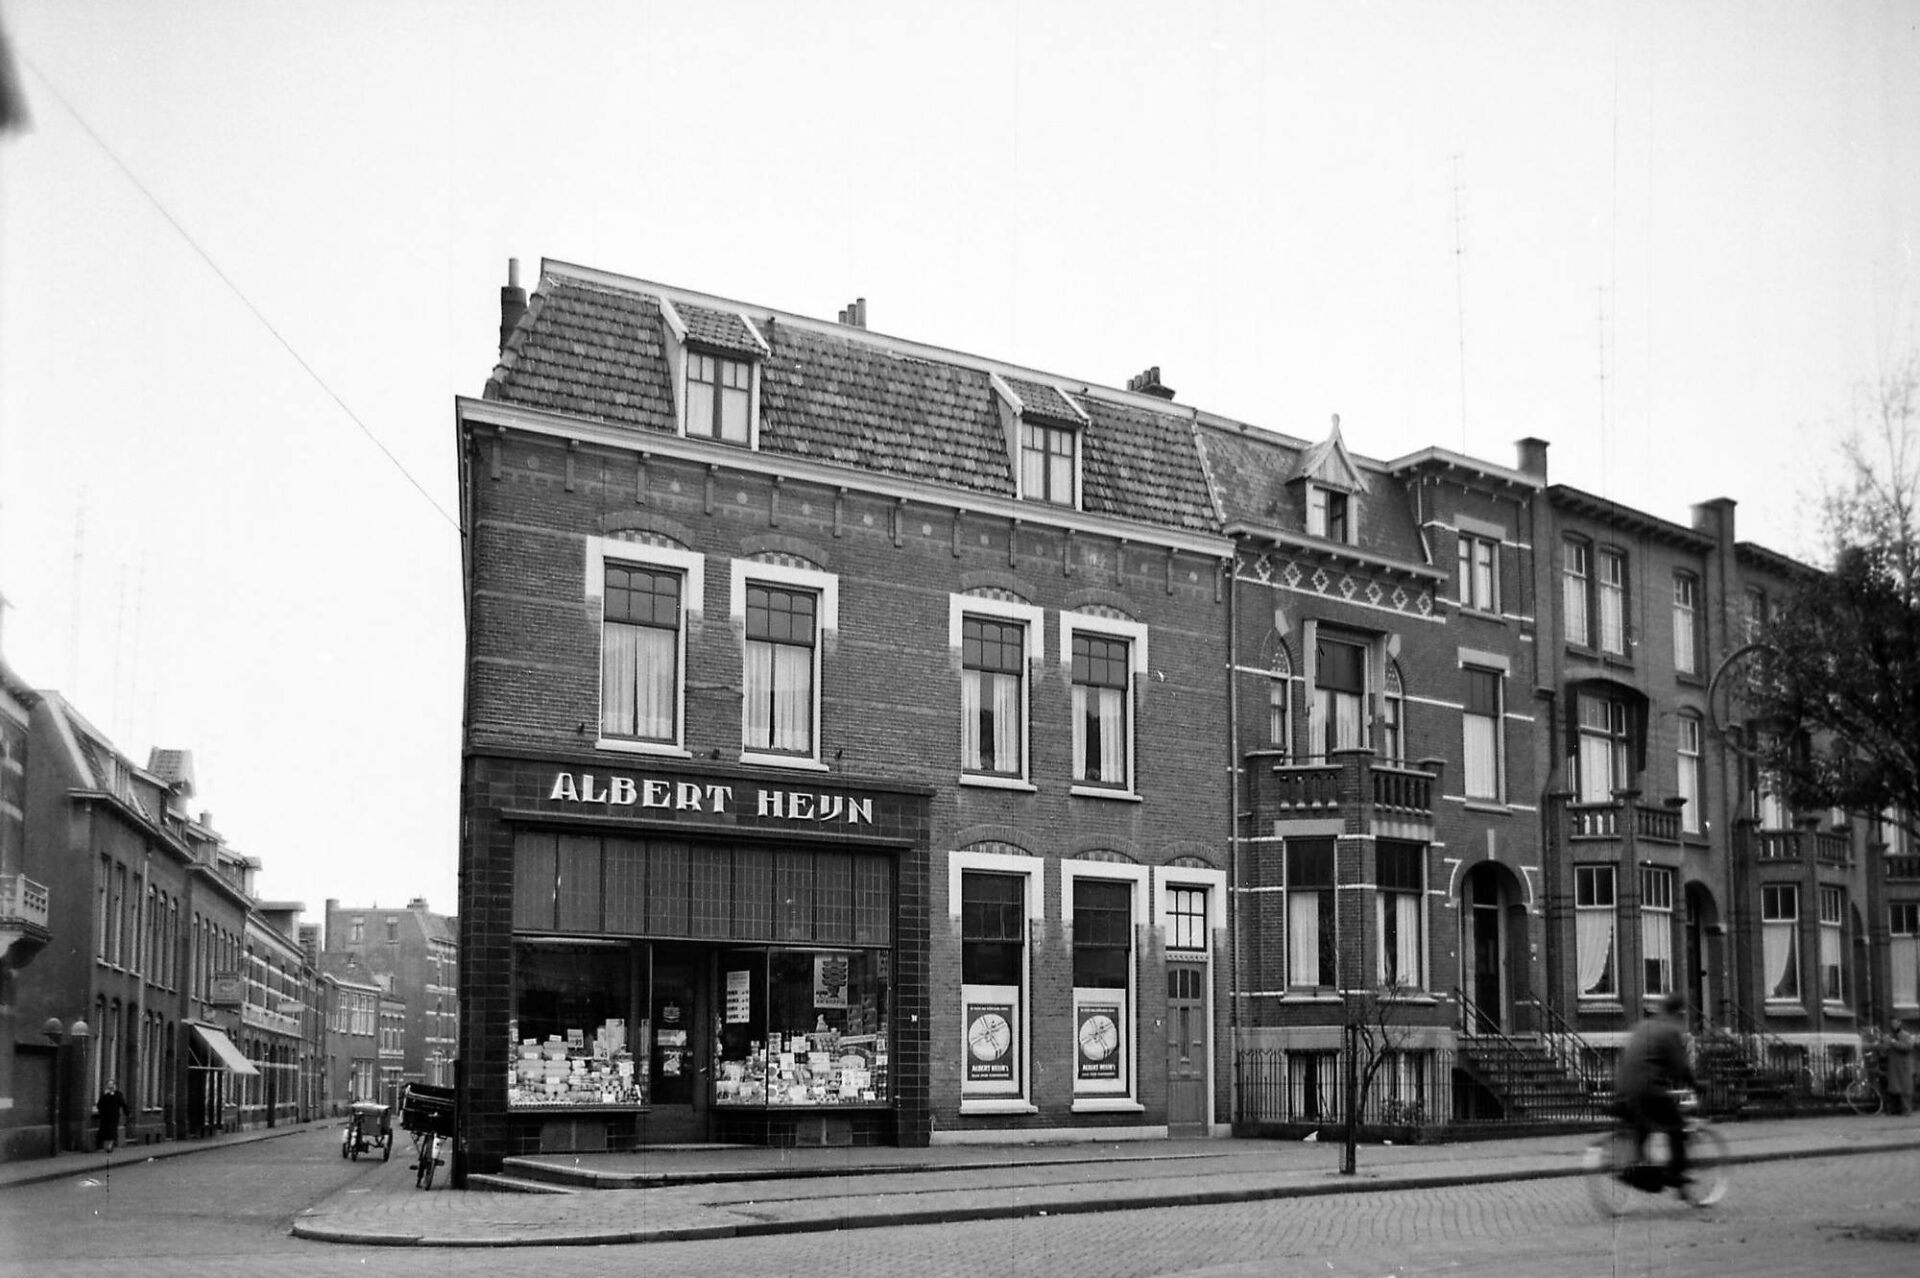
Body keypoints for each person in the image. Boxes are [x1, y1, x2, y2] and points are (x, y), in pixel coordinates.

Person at [1613, 992, 1695, 1189]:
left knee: (1644, 1126)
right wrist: (1696, 1085)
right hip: (1646, 1090)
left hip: (1623, 1089)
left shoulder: (1643, 1026)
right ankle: (1675, 1174)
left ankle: (1637, 1167)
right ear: (1678, 1013)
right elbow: (1680, 1068)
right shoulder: (1669, 1030)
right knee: (1676, 1126)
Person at [1887, 1021, 1916, 1117]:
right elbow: (1884, 1047)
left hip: (1903, 1067)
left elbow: (1908, 1047)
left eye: (1895, 1023)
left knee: (1905, 1089)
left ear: (1900, 1024)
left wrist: (1893, 1042)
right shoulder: (1890, 1036)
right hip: (1894, 1066)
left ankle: (1906, 1110)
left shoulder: (1906, 1035)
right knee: (1895, 1088)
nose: (1893, 1025)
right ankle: (1895, 1110)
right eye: (1892, 1023)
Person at [93, 1082, 128, 1154]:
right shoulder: (104, 1094)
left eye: (112, 1085)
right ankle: (105, 1145)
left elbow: (123, 1104)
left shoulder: (118, 1094)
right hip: (105, 1116)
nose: (111, 1086)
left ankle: (110, 1145)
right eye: (109, 1085)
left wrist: (127, 1112)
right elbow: (99, 1104)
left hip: (114, 1116)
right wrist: (101, 1112)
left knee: (112, 1131)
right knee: (104, 1131)